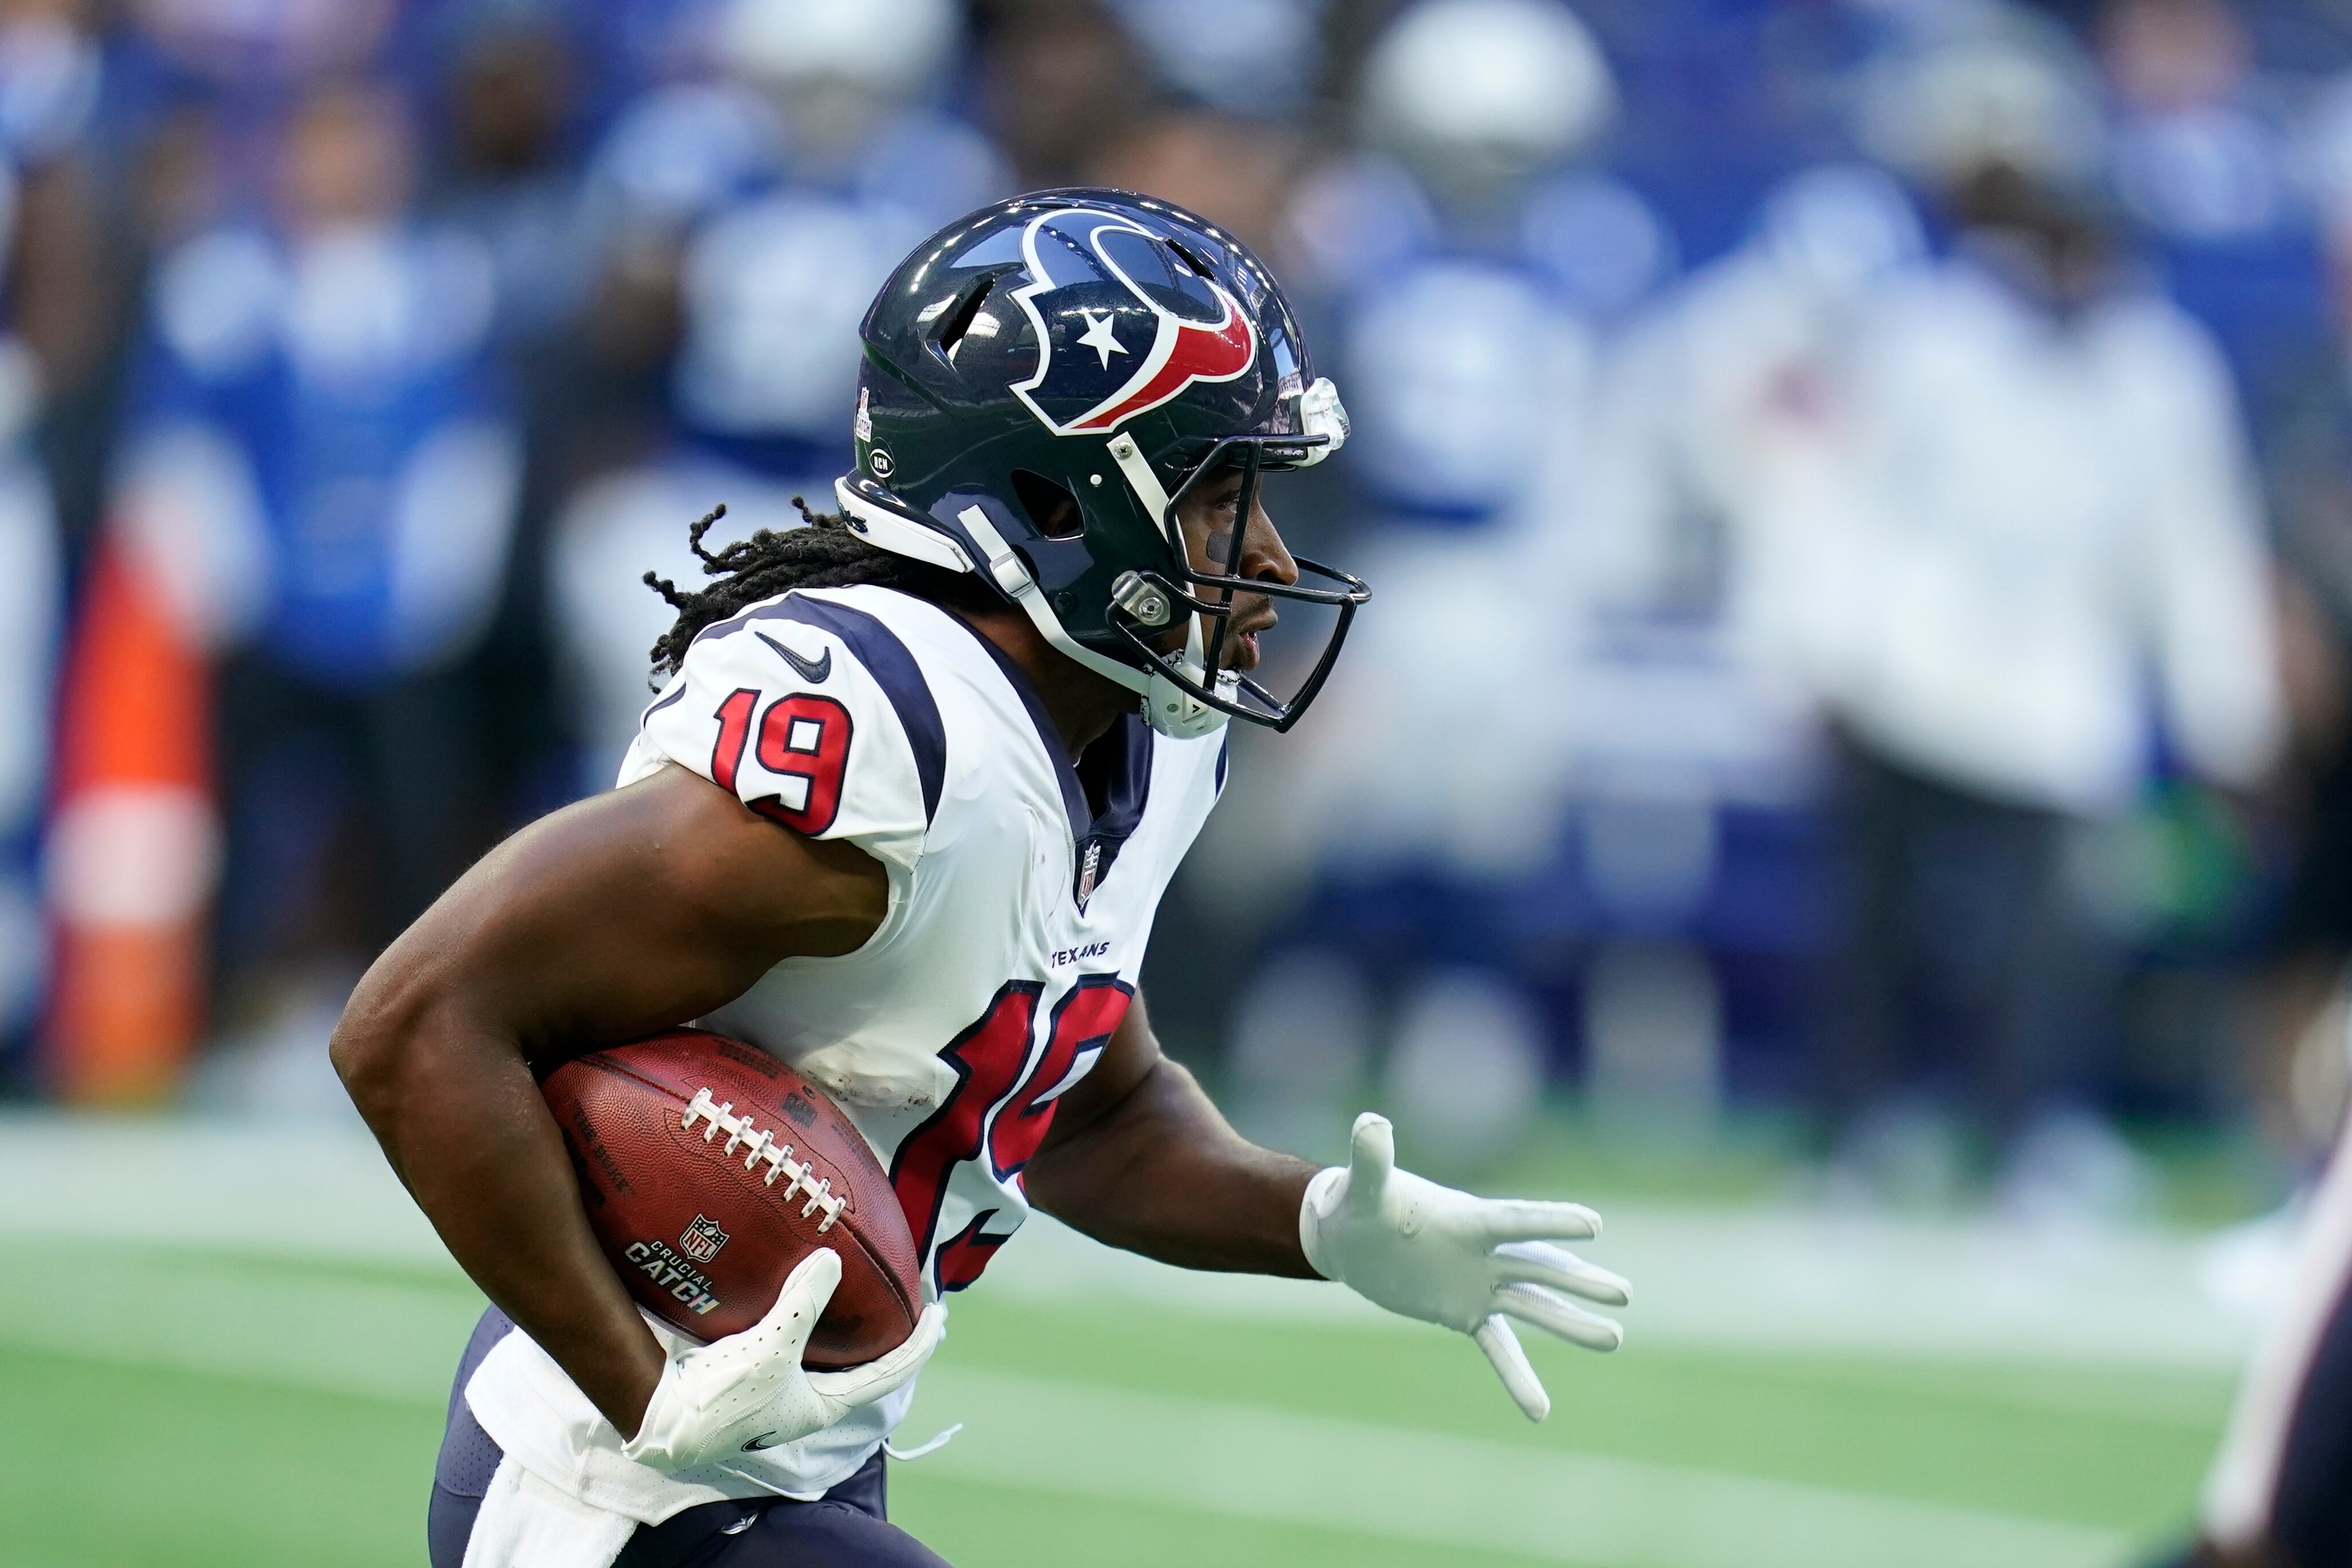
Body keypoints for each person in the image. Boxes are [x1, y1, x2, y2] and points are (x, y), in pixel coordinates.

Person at [330, 189, 1631, 1568]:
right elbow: (415, 1022)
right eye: (1216, 499)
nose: (1264, 554)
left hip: (798, 1462)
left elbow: (1085, 1120)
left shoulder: (1142, 736)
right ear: (1058, 502)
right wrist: (646, 1390)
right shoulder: (895, 741)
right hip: (606, 1484)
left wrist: (1314, 1221)